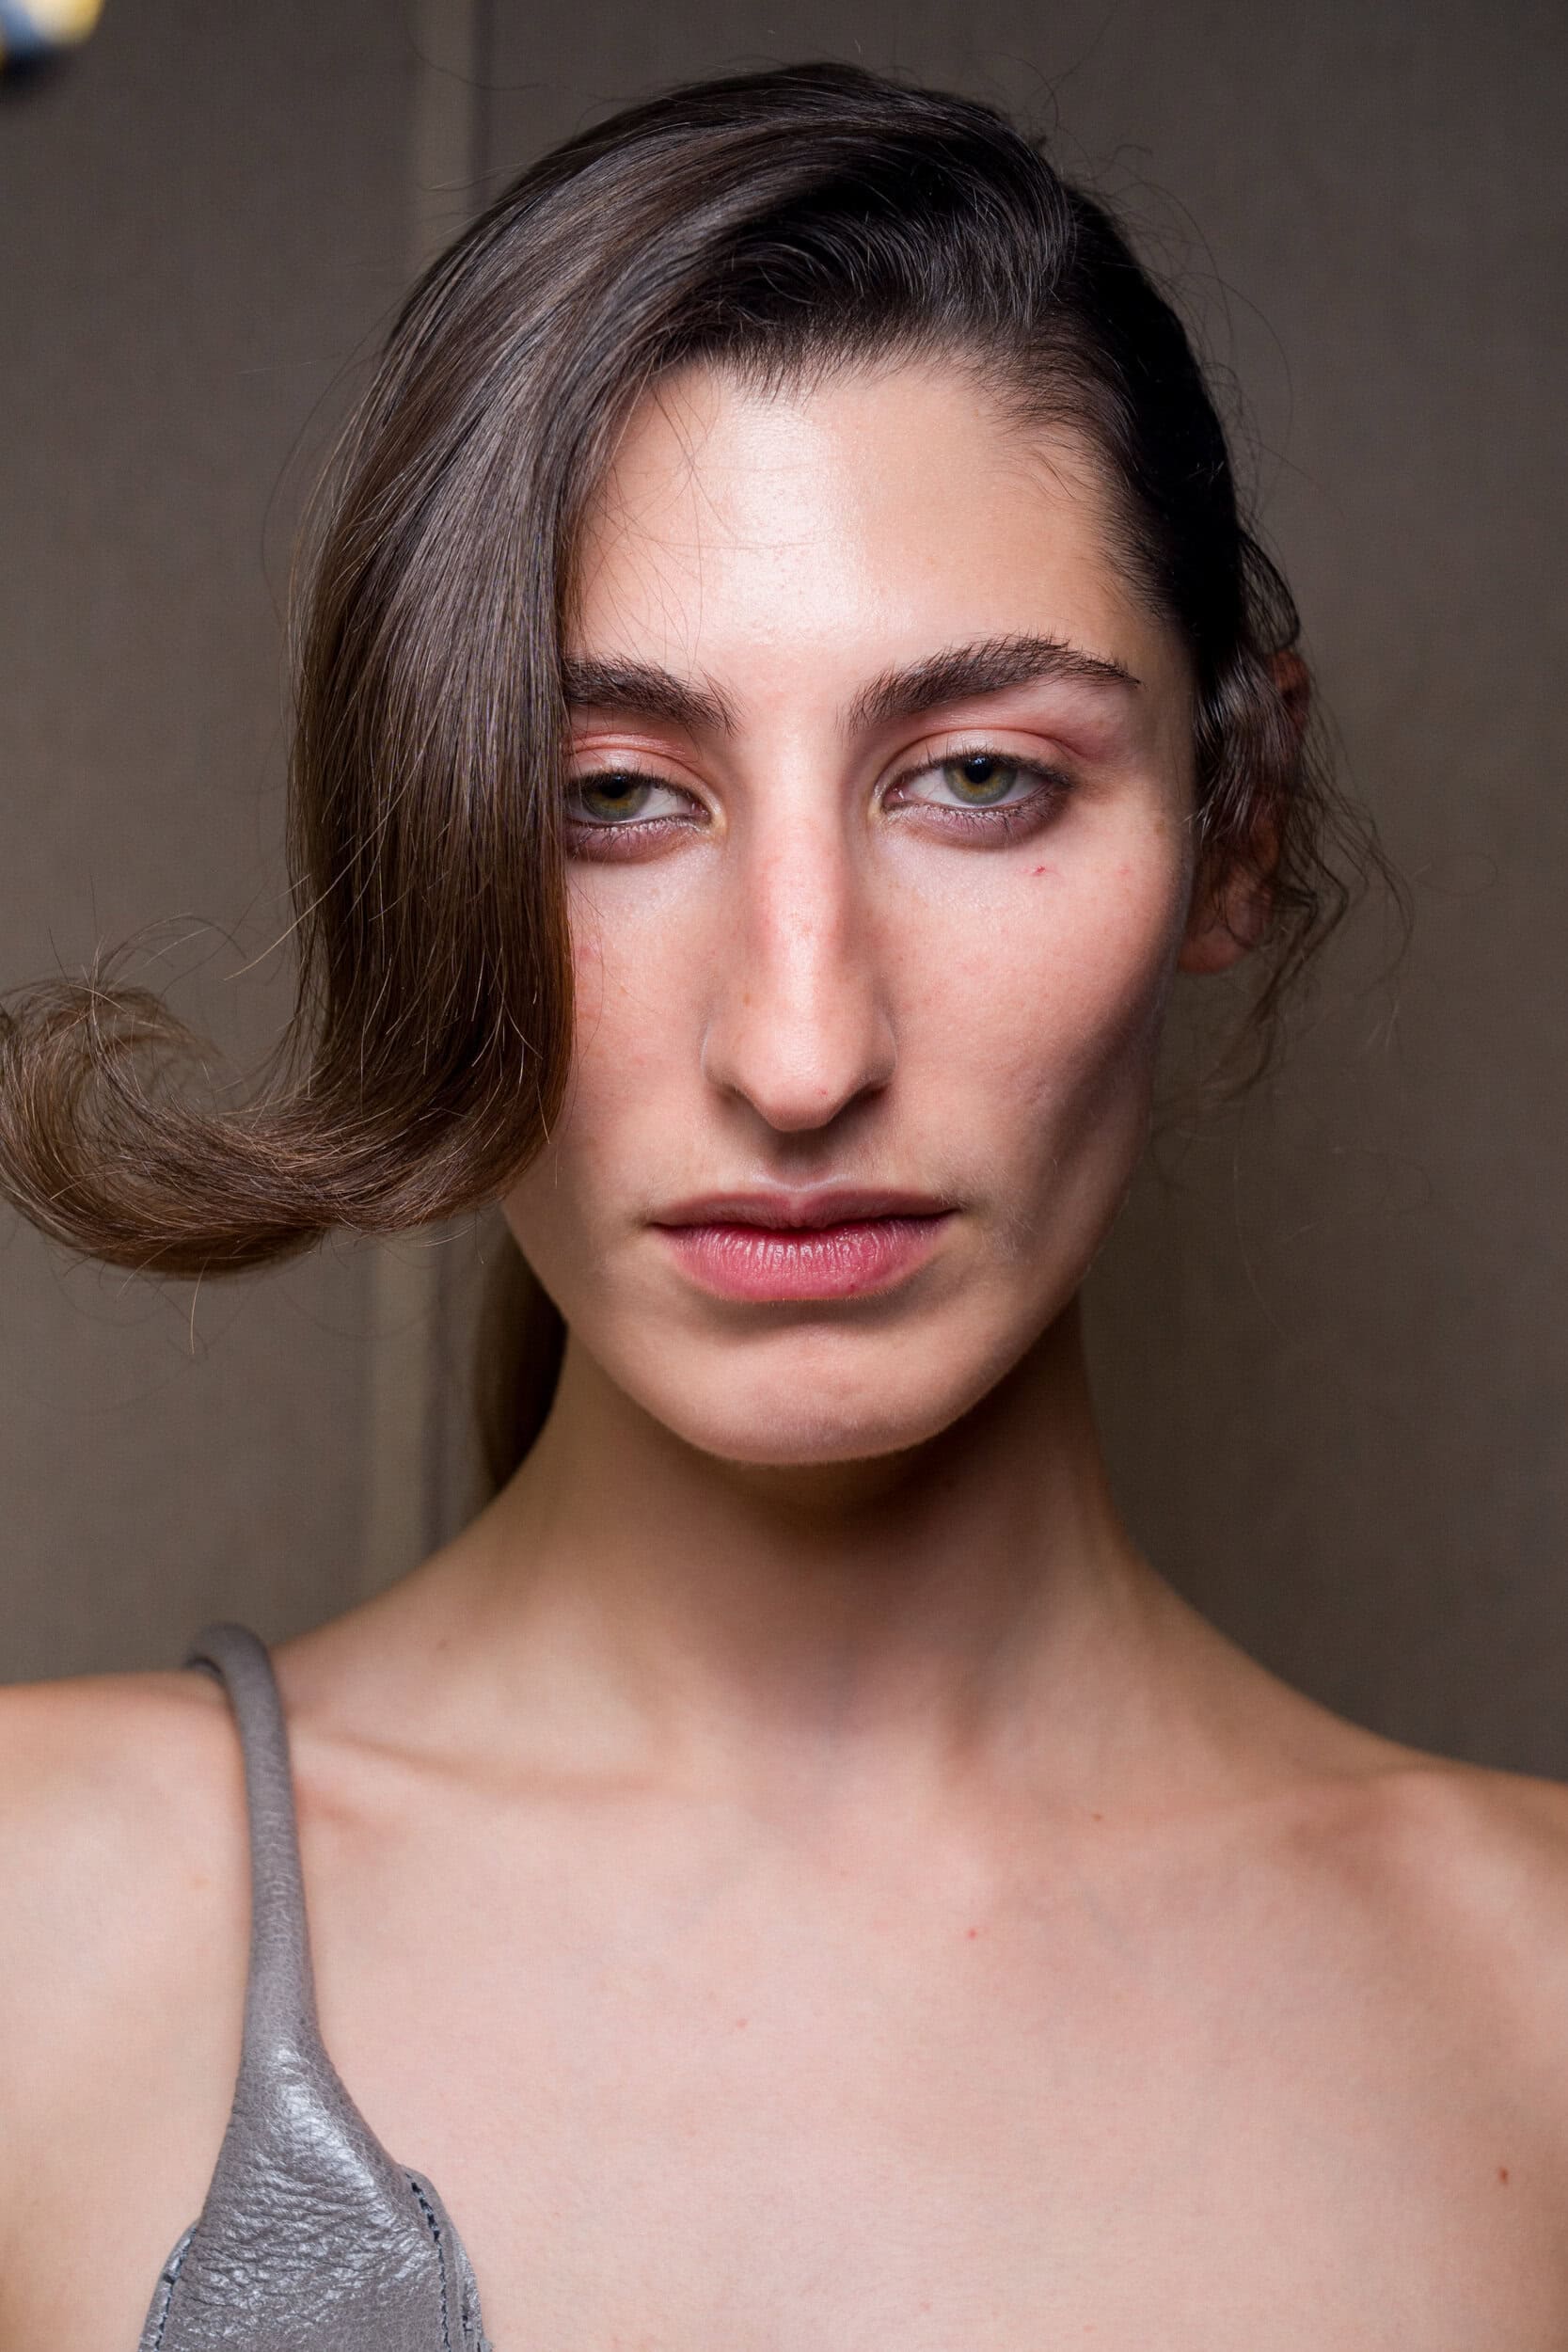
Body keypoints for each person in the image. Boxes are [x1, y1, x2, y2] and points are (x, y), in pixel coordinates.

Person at [3, 57, 1566, 2351]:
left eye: (978, 776)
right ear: (423, 848)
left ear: (1235, 818)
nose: (803, 1048)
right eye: (613, 797)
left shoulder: (1532, 2012)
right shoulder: (31, 1936)